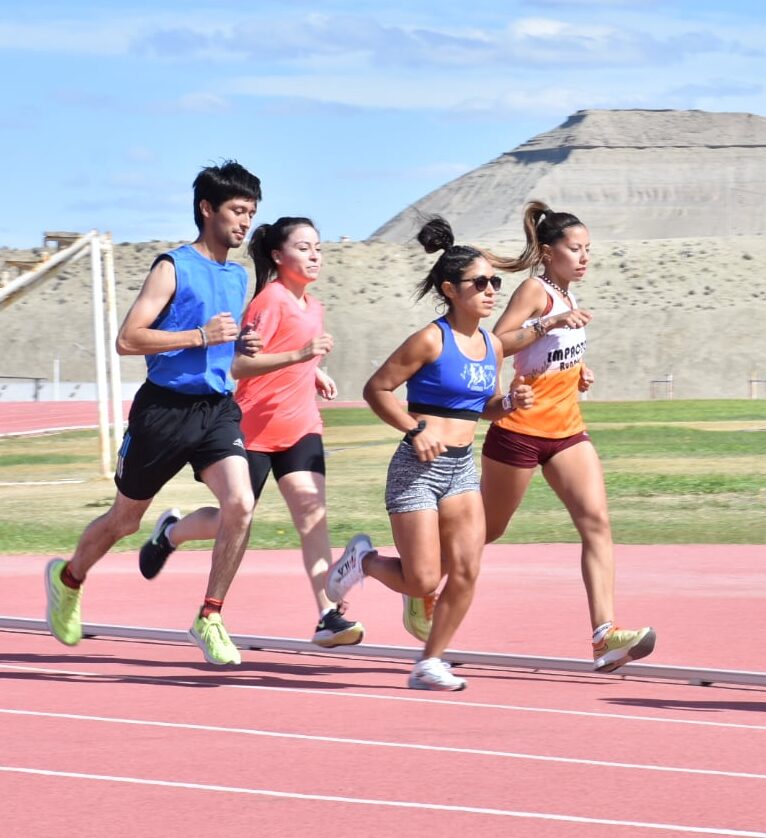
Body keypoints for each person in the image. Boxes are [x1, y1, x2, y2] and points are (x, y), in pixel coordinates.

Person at [399, 200, 655, 675]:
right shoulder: (536, 291)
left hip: (567, 431)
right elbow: (497, 343)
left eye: (588, 249)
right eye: (575, 249)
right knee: (487, 532)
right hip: (519, 432)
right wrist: (550, 323)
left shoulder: (569, 295)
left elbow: (547, 357)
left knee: (596, 522)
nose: (584, 257)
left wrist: (576, 370)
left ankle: (605, 635)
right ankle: (423, 589)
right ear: (546, 251)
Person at [44, 160, 264, 666]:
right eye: (236, 210)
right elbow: (129, 339)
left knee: (241, 504)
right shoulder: (173, 266)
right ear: (206, 209)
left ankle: (209, 615)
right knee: (124, 520)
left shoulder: (237, 275)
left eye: (250, 213)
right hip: (163, 412)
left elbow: (224, 353)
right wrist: (200, 336)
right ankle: (68, 577)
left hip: (215, 410)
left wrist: (239, 346)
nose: (244, 222)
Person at [324, 216, 532, 690]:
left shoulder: (491, 345)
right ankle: (364, 562)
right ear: (450, 289)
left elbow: (483, 409)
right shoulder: (430, 339)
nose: (491, 290)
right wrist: (414, 427)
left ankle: (429, 662)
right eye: (479, 283)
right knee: (422, 581)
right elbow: (376, 389)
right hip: (417, 470)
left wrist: (509, 404)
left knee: (466, 569)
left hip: (461, 470)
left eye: (495, 282)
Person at [137, 217, 364, 649]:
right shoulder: (268, 301)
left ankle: (327, 615)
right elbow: (236, 365)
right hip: (254, 429)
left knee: (312, 515)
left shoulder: (313, 306)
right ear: (279, 256)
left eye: (318, 247)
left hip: (300, 427)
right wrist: (301, 355)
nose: (315, 255)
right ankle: (170, 532)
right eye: (304, 247)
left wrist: (315, 371)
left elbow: (291, 354)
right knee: (231, 520)